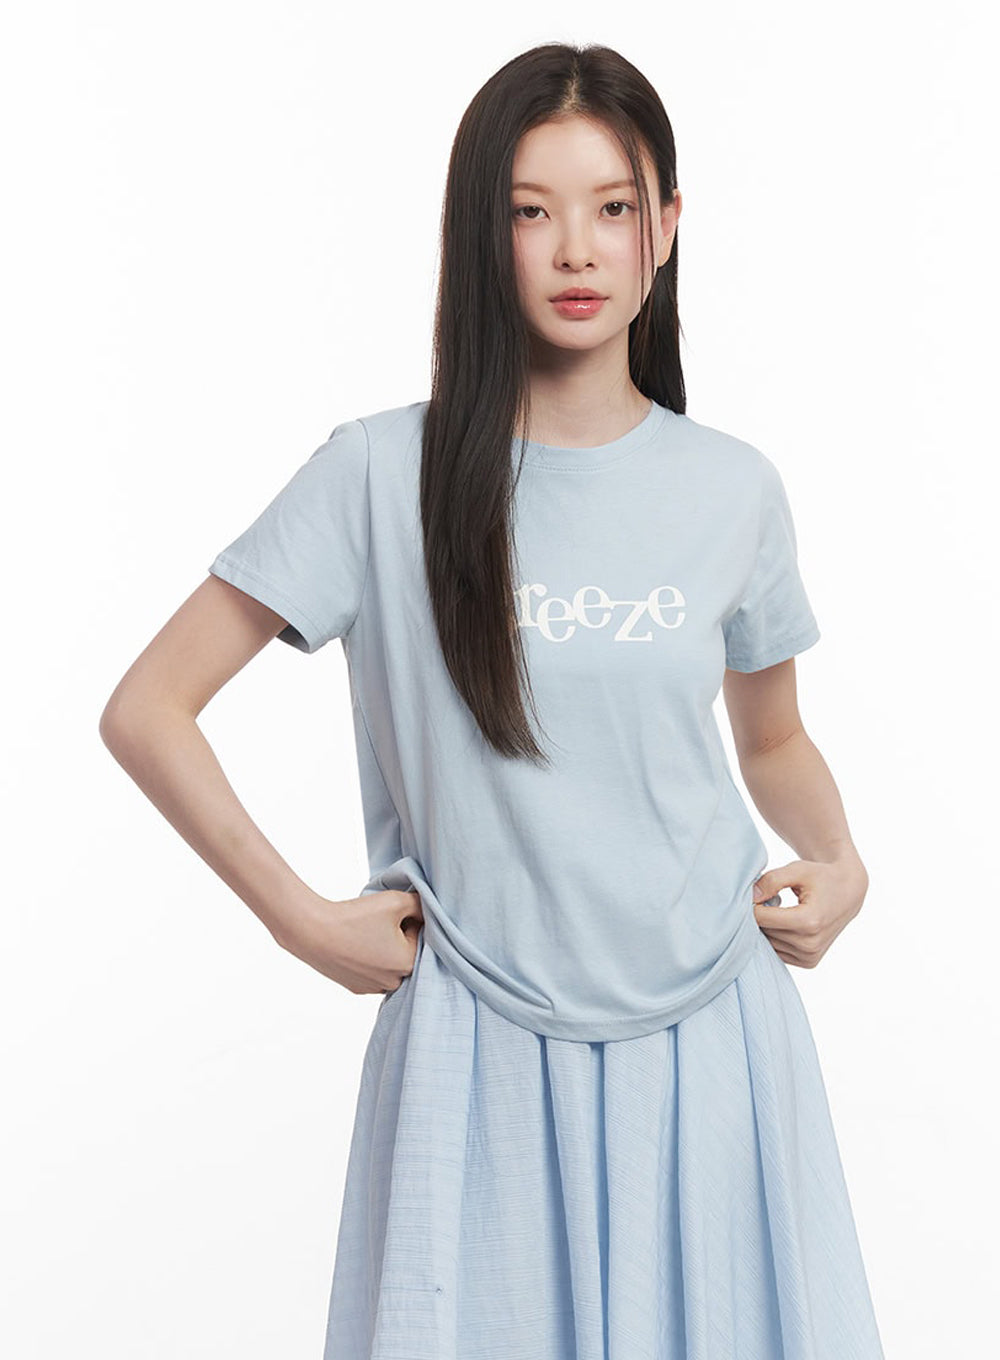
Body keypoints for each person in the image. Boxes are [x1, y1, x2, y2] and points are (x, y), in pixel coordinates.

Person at [99, 41, 885, 1360]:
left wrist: (842, 860)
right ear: (482, 233)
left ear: (666, 227)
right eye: (531, 210)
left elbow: (774, 736)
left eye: (613, 206)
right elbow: (149, 708)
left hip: (714, 1035)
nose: (576, 248)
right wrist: (303, 923)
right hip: (476, 1042)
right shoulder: (377, 475)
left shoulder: (731, 488)